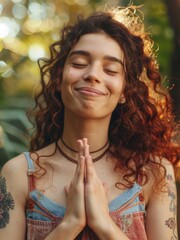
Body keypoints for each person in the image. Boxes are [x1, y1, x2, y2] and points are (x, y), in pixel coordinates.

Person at [0, 5, 179, 240]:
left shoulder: (153, 173)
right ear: (60, 78)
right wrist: (69, 225)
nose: (93, 74)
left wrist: (104, 224)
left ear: (125, 91)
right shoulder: (19, 174)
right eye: (79, 63)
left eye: (110, 69)